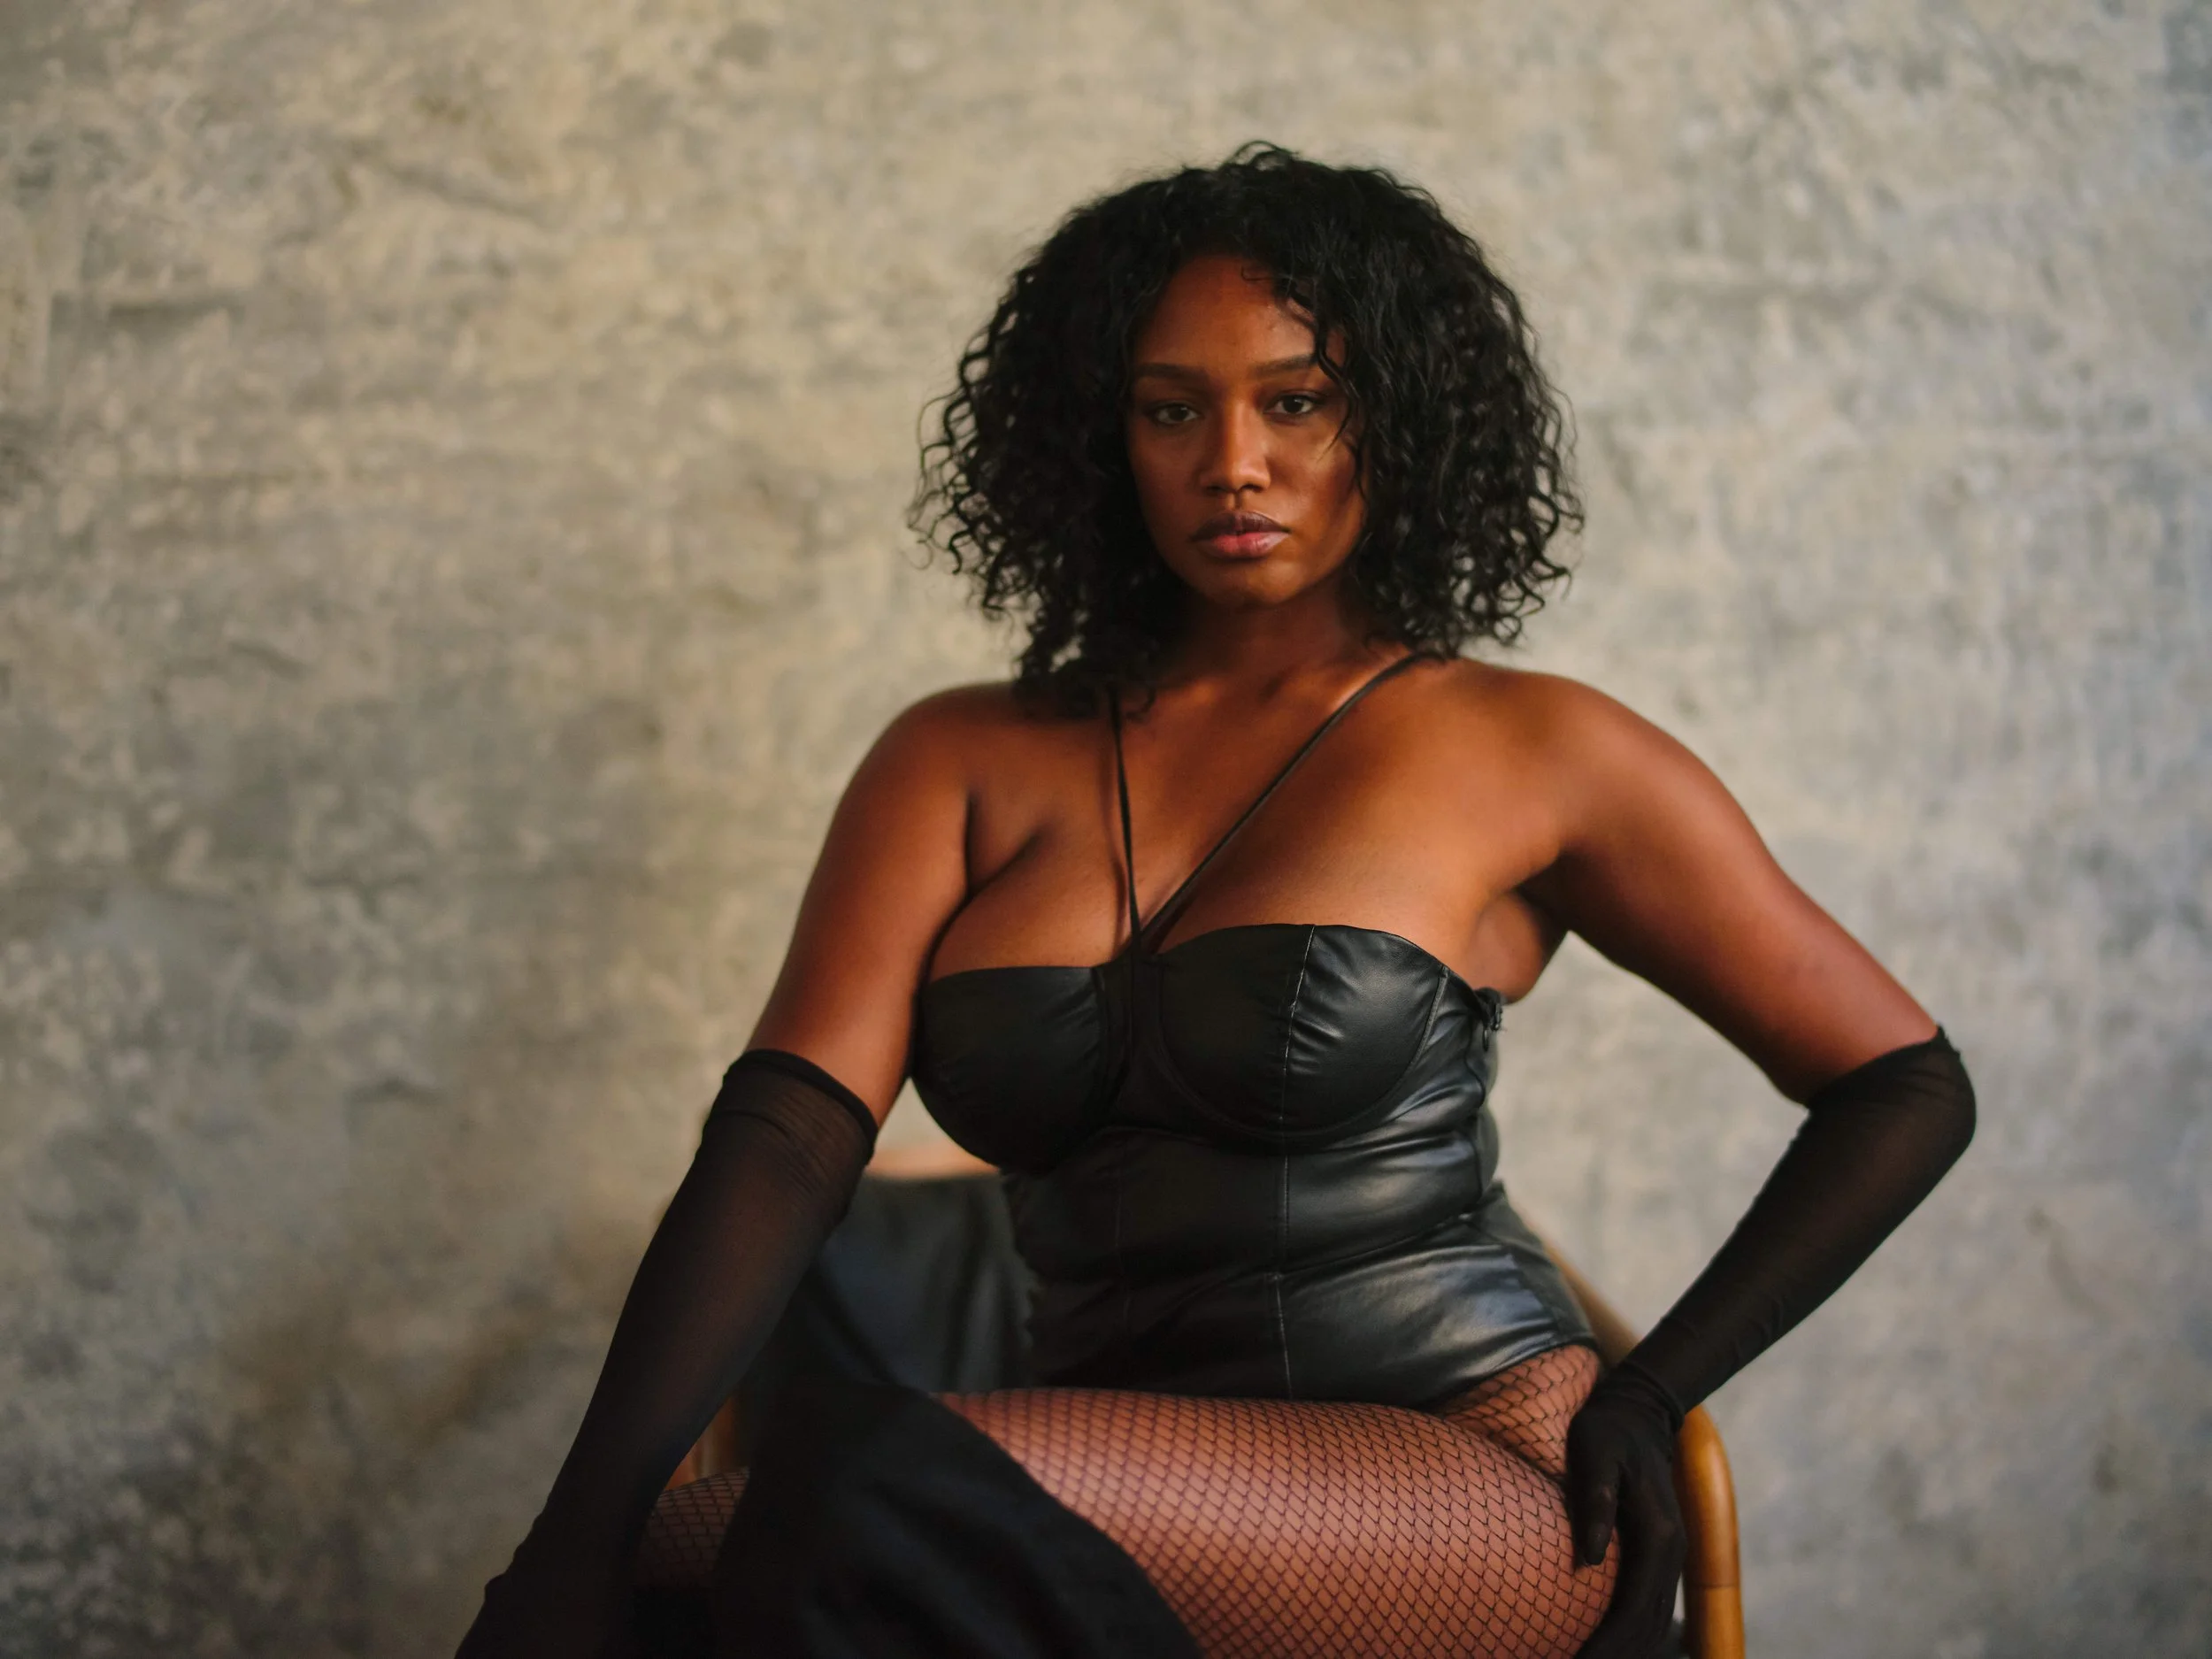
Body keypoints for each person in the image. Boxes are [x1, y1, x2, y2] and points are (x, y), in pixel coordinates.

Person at [457, 144, 1974, 1659]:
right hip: (1102, 1473)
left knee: (853, 1495)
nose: (1231, 458)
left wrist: (1653, 1389)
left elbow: (1901, 1079)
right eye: (1172, 407)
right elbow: (786, 1139)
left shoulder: (1533, 747)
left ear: (1399, 417)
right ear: (1102, 440)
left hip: (1467, 1473)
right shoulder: (959, 759)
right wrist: (570, 1538)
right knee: (662, 1570)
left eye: (1296, 400)